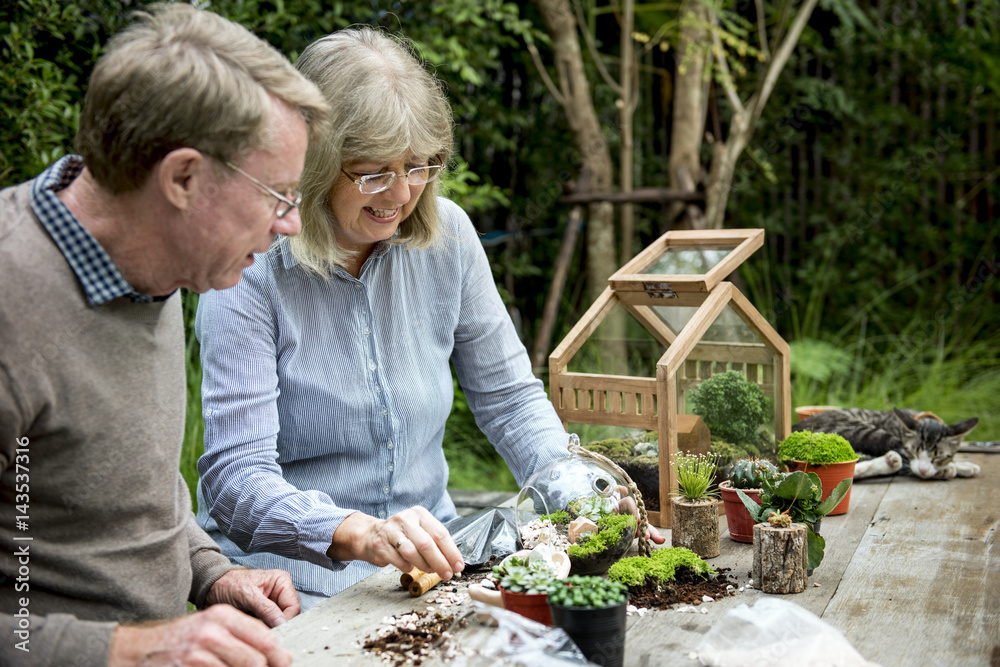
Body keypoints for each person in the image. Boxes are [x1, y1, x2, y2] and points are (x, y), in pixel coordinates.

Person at [194, 27, 649, 608]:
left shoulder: (451, 237)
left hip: (439, 560)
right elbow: (236, 480)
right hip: (292, 582)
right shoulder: (252, 267)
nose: (401, 193)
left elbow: (509, 398)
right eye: (372, 172)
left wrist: (584, 496)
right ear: (315, 164)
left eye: (418, 166)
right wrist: (360, 534)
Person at [0, 5, 330, 666]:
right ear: (182, 178)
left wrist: (210, 572)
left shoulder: (158, 263)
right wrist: (129, 647)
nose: (290, 224)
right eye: (279, 195)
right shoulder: (12, 308)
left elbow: (133, 497)